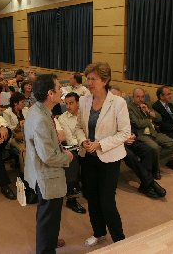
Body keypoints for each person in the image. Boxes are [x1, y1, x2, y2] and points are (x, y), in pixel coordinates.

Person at [74, 62, 130, 246]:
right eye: (88, 78)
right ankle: (99, 232)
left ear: (105, 80)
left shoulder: (118, 102)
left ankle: (119, 239)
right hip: (88, 157)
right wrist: (83, 140)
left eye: (93, 79)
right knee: (92, 198)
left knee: (107, 201)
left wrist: (100, 144)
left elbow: (124, 133)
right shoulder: (83, 100)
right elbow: (78, 127)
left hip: (109, 158)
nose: (89, 82)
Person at [24, 74, 73, 254]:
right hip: (46, 174)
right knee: (48, 215)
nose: (62, 91)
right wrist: (67, 156)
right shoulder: (41, 119)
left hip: (40, 171)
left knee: (47, 214)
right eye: (59, 88)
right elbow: (49, 157)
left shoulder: (38, 109)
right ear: (50, 94)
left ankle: (50, 239)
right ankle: (45, 248)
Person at [127, 87, 173, 179]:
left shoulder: (147, 105)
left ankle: (152, 164)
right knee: (155, 147)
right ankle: (156, 170)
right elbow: (137, 123)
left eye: (142, 97)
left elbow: (159, 118)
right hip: (141, 134)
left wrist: (148, 111)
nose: (141, 99)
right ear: (133, 97)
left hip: (153, 132)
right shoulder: (129, 108)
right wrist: (150, 120)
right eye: (138, 97)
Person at [57, 92, 86, 214]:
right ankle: (71, 198)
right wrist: (83, 142)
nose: (68, 106)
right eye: (66, 103)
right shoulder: (63, 118)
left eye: (71, 103)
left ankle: (90, 189)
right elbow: (69, 139)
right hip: (74, 146)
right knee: (71, 158)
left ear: (78, 103)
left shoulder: (85, 113)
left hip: (88, 144)